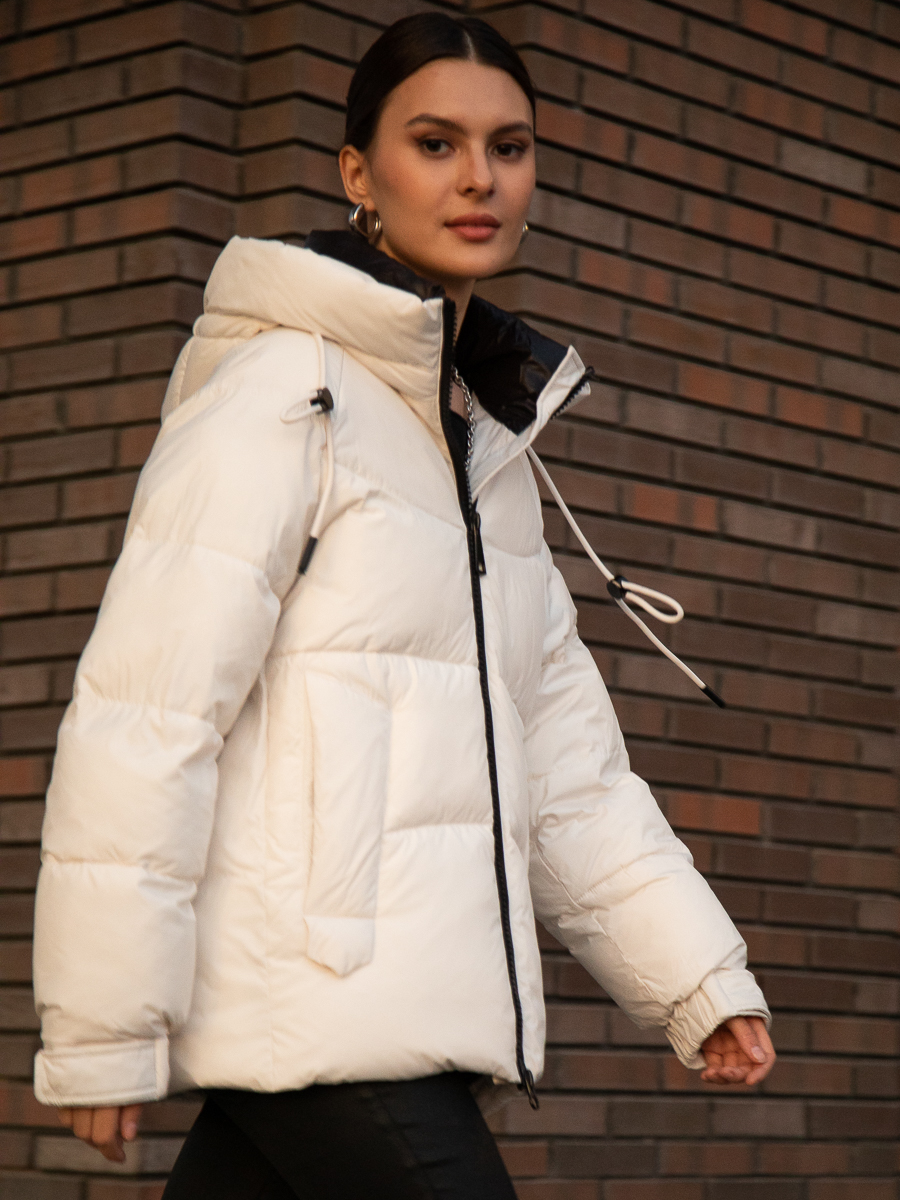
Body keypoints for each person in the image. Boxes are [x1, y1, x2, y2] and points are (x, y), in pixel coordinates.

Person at [32, 13, 775, 1197]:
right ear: (357, 172)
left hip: (388, 1019)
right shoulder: (286, 392)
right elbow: (150, 714)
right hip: (320, 998)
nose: (480, 178)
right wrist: (102, 1021)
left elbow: (568, 769)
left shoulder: (485, 452)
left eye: (509, 147)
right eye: (436, 143)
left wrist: (694, 979)